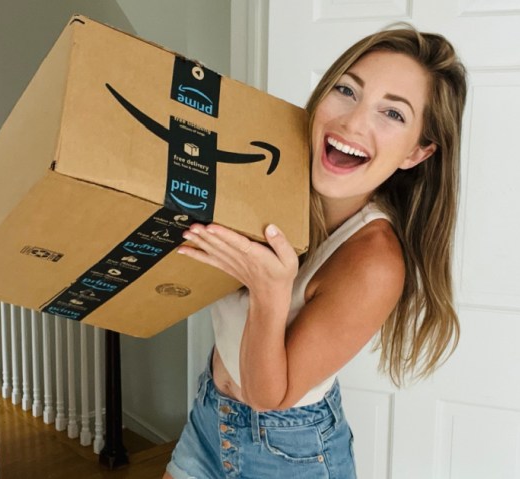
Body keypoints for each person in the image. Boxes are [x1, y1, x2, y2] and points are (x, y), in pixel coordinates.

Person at [164, 24, 467, 479]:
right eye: (347, 89)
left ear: (417, 153)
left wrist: (271, 293)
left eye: (393, 114)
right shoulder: (265, 179)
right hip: (210, 416)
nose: (352, 122)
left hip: (291, 453)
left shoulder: (374, 262)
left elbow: (269, 396)